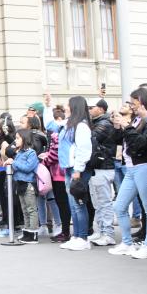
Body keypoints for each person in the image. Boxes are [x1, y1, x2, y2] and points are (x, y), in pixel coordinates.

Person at [108, 88, 147, 259]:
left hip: (145, 166)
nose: (131, 106)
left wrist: (127, 126)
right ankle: (127, 243)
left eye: (133, 103)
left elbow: (141, 144)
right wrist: (118, 126)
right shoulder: (137, 120)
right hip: (132, 168)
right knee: (119, 206)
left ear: (142, 101)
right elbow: (120, 142)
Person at [58, 96, 93, 251]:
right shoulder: (69, 125)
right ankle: (77, 236)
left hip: (76, 169)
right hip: (69, 168)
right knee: (73, 205)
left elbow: (83, 149)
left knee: (79, 204)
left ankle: (83, 237)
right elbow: (52, 124)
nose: (66, 107)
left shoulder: (81, 126)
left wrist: (78, 170)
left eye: (68, 105)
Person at [86, 97, 120, 247]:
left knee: (104, 202)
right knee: (97, 202)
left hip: (103, 166)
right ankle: (100, 230)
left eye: (91, 107)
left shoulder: (105, 123)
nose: (88, 110)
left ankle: (108, 234)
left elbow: (92, 139)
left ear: (100, 109)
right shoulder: (97, 123)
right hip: (96, 167)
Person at [5, 129, 40, 243]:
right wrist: (9, 161)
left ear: (25, 138)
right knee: (24, 209)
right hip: (19, 183)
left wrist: (13, 163)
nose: (16, 140)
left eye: (18, 138)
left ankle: (33, 234)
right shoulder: (19, 152)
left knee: (31, 209)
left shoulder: (31, 153)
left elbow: (28, 168)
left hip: (28, 183)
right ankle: (27, 232)